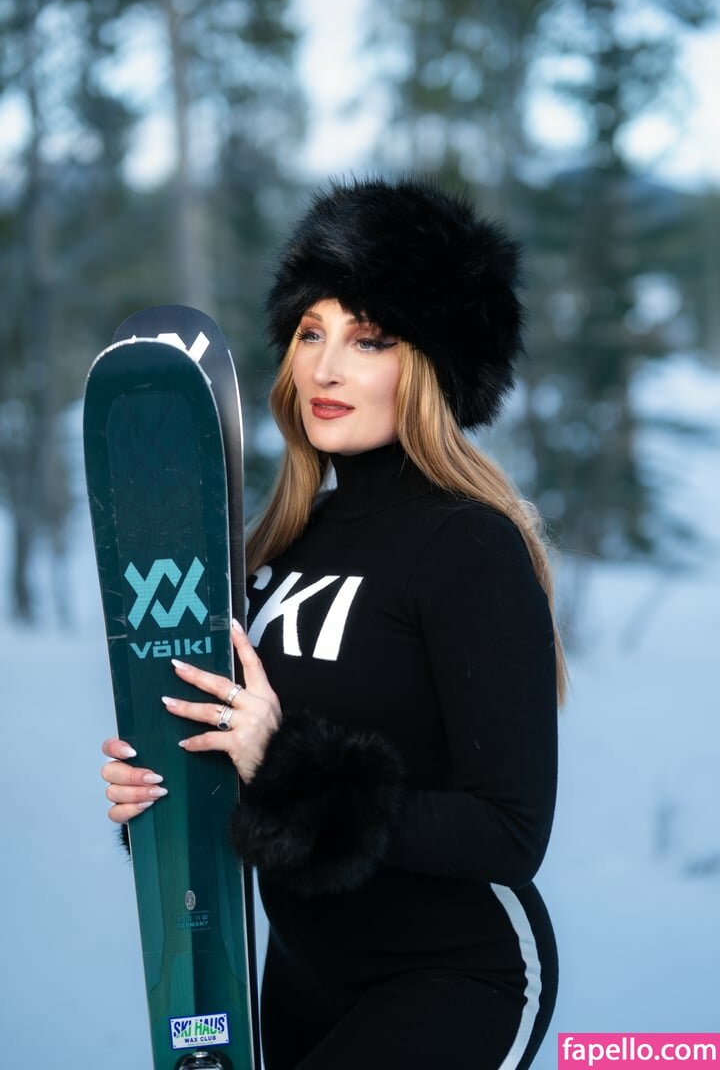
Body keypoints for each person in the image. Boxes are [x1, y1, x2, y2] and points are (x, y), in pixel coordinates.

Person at [101, 177, 567, 1070]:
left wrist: (285, 762)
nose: (325, 368)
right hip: (301, 976)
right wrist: (162, 793)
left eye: (369, 338)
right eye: (311, 332)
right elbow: (247, 769)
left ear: (430, 365)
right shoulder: (276, 547)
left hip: (453, 975)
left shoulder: (468, 545)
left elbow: (510, 833)